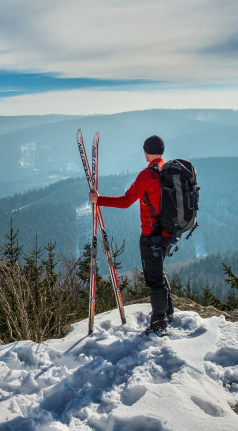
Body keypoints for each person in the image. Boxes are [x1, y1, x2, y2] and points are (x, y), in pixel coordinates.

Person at [88, 135, 174, 336]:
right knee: (158, 271)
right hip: (168, 233)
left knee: (154, 279)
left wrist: (98, 200)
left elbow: (126, 201)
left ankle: (159, 323)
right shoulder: (168, 171)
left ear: (146, 151)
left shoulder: (147, 175)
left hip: (151, 235)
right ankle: (168, 311)